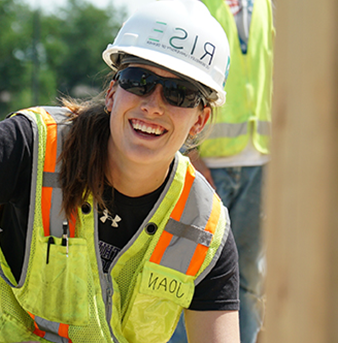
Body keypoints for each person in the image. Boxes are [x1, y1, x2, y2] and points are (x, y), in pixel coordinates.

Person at [0, 1, 241, 342]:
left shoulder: (203, 229)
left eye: (179, 94)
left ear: (199, 120)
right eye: (138, 80)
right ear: (113, 92)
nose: (153, 104)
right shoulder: (31, 147)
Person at [168, 1, 275, 343]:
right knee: (185, 274)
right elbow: (180, 75)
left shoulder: (265, 6)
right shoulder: (196, 5)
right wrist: (191, 152)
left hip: (259, 158)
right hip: (207, 162)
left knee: (245, 281)